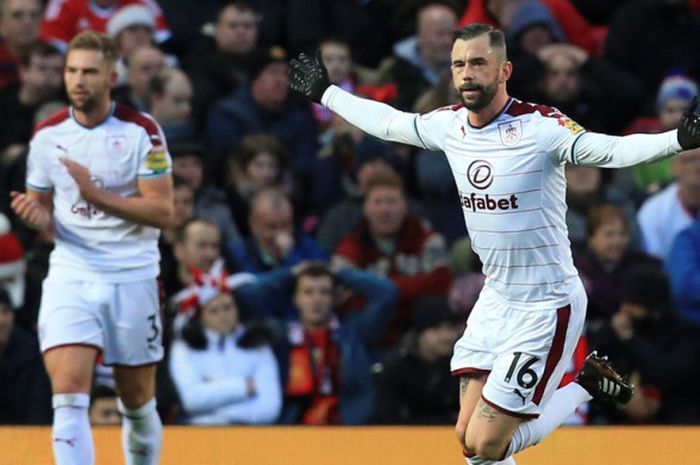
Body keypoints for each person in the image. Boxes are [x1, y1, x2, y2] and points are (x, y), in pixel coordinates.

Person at [289, 22, 700, 463]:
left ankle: (583, 385)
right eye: (459, 64)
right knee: (468, 439)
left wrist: (677, 140)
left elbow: (611, 151)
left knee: (488, 441)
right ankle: (592, 381)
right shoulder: (450, 126)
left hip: (547, 303)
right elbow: (391, 122)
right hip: (497, 298)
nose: (466, 74)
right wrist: (327, 94)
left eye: (478, 63)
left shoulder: (541, 127)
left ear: (504, 70)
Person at [10, 31, 173, 465]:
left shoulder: (143, 133)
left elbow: (162, 212)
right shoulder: (46, 136)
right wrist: (36, 217)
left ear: (111, 76)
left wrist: (95, 194)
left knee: (136, 400)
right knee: (67, 391)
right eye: (72, 70)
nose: (77, 80)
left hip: (132, 275)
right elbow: (44, 211)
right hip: (72, 273)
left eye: (88, 71)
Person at [169, 278, 282, 425]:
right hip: (199, 434)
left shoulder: (257, 344)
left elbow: (270, 409)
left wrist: (214, 406)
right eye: (213, 311)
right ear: (201, 317)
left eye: (228, 308)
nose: (223, 316)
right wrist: (244, 387)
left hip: (250, 434)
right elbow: (192, 400)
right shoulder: (184, 348)